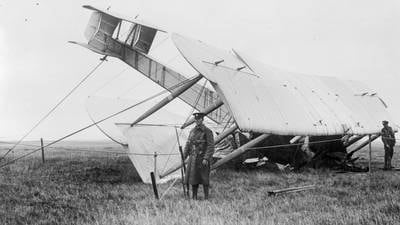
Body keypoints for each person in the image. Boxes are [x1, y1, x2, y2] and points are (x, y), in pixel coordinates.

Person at [183, 112, 214, 200]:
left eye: (199, 119)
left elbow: (210, 146)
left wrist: (206, 158)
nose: (197, 121)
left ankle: (206, 197)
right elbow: (188, 144)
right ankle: (194, 197)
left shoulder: (207, 131)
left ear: (202, 119)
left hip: (202, 159)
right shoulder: (192, 131)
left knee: (204, 178)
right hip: (193, 158)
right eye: (196, 119)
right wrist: (184, 156)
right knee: (193, 178)